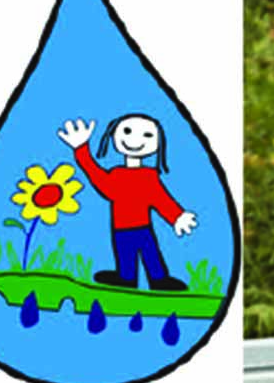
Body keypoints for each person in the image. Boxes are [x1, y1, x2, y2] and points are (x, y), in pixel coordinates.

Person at [57, 114, 197, 291]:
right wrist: (81, 149)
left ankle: (159, 279)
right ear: (113, 135)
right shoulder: (115, 176)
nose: (135, 139)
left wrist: (177, 217)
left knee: (150, 254)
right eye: (127, 131)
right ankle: (126, 278)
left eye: (147, 135)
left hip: (143, 227)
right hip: (121, 228)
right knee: (125, 256)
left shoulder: (149, 177)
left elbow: (161, 199)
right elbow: (97, 177)